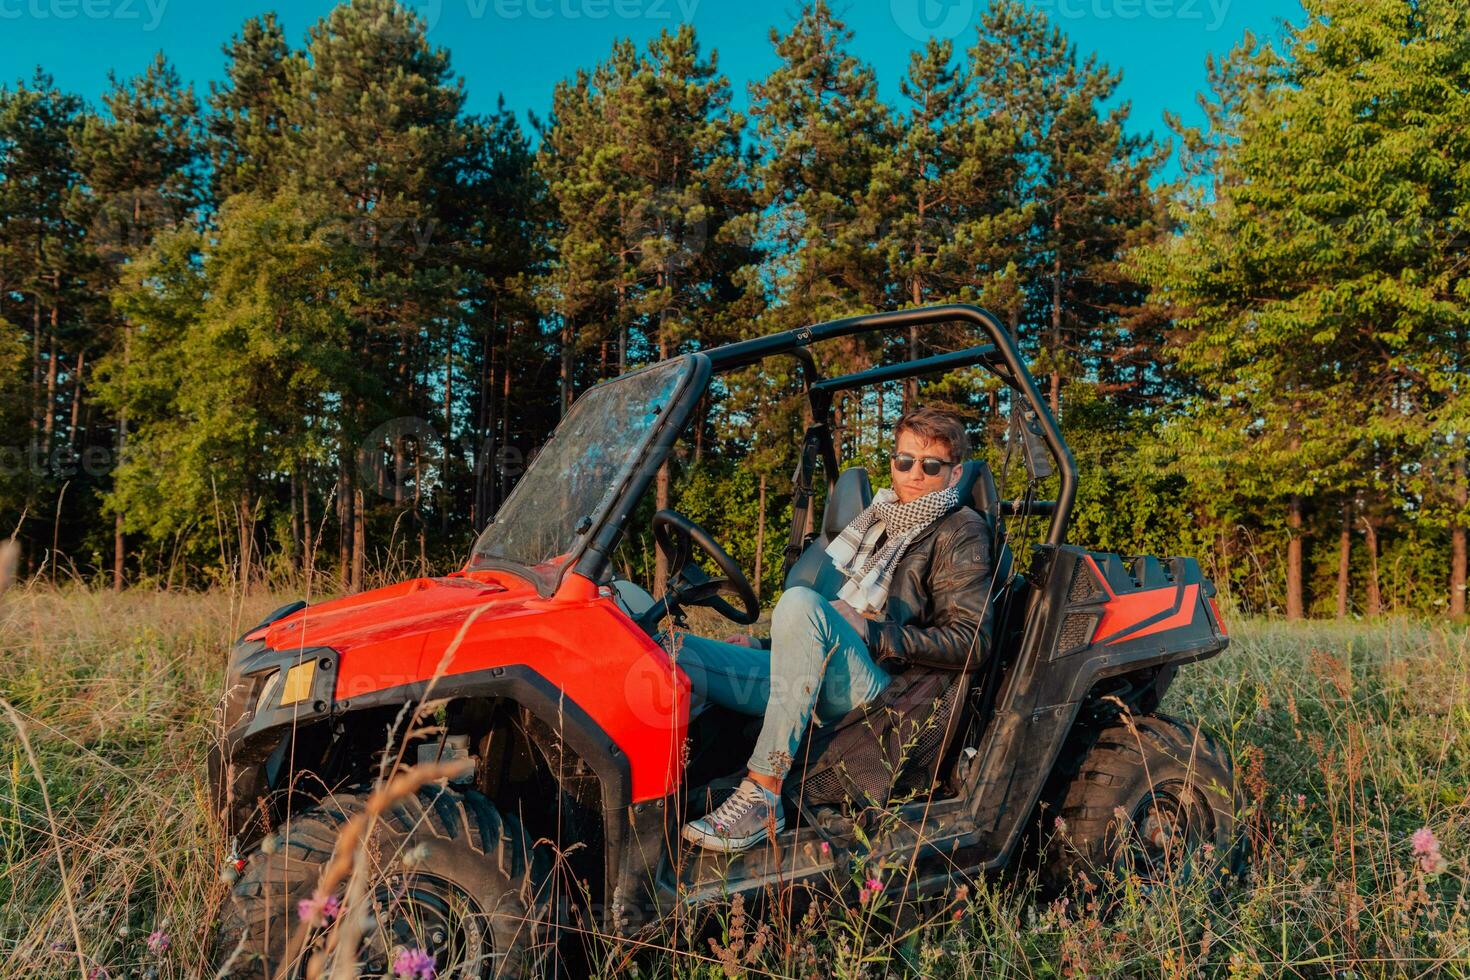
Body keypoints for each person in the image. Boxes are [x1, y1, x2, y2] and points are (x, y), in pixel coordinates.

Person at [677, 407, 995, 852]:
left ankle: (761, 794)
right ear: (893, 463)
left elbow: (971, 640)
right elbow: (827, 626)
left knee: (800, 600)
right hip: (826, 672)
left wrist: (872, 633)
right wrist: (763, 643)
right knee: (677, 650)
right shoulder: (878, 520)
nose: (915, 474)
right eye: (905, 461)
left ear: (954, 472)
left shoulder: (960, 530)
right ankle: (652, 794)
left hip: (889, 693)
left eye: (931, 464)